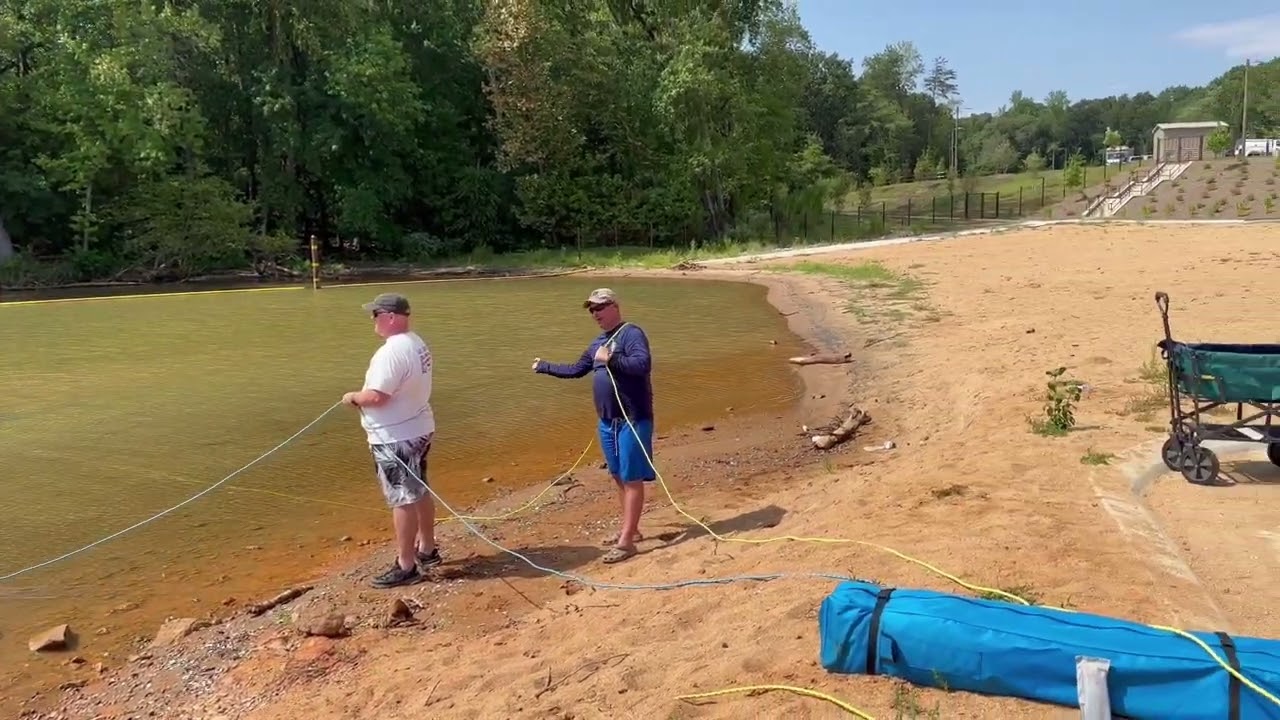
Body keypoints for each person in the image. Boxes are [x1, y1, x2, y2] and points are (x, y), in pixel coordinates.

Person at [532, 288, 654, 564]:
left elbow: (642, 364)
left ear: (615, 306)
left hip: (632, 419)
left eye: (599, 307)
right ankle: (631, 530)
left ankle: (625, 543)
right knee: (618, 476)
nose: (595, 314)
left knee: (631, 478)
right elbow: (576, 369)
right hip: (607, 422)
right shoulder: (598, 342)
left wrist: (612, 359)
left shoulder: (631, 333)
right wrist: (544, 366)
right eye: (591, 309)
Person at [342, 292, 441, 588]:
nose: (372, 320)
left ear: (390, 317)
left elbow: (376, 396)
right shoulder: (416, 342)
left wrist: (352, 398)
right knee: (418, 488)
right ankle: (428, 549)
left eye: (375, 315)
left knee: (402, 498)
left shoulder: (391, 352)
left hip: (396, 436)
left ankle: (406, 565)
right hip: (418, 428)